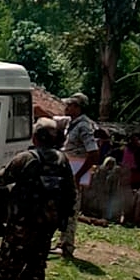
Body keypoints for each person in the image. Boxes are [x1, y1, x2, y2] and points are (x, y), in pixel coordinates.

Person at [0, 118, 77, 280]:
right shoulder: (62, 160)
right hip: (47, 224)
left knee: (9, 262)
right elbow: (70, 193)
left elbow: (0, 178)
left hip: (22, 223)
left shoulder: (26, 158)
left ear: (35, 137)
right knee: (37, 263)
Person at [54, 92, 99, 258]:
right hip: (67, 169)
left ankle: (67, 246)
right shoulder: (71, 123)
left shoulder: (84, 126)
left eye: (70, 105)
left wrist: (79, 175)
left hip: (75, 171)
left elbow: (93, 153)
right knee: (62, 207)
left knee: (71, 208)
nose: (66, 107)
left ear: (78, 107)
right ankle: (61, 241)